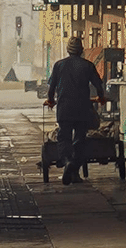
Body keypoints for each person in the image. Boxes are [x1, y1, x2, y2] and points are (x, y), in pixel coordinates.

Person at [45, 35, 107, 184]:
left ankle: (67, 162)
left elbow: (51, 88)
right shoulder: (87, 65)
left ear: (68, 50)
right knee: (80, 139)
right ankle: (74, 171)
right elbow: (99, 86)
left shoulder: (59, 65)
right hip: (82, 108)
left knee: (64, 137)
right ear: (81, 50)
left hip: (64, 108)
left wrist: (51, 101)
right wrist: (101, 98)